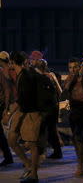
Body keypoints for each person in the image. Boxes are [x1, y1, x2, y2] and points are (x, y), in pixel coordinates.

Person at [8, 52, 44, 183]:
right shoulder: (21, 75)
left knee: (33, 144)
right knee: (12, 139)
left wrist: (9, 112)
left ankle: (34, 174)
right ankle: (29, 165)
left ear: (12, 62)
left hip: (32, 113)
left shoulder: (26, 76)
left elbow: (24, 99)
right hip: (23, 112)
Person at [0, 51, 14, 166]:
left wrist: (6, 107)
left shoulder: (4, 72)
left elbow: (7, 90)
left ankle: (8, 156)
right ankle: (8, 155)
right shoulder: (7, 70)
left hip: (3, 104)